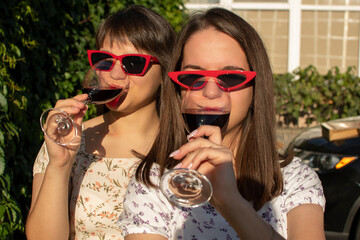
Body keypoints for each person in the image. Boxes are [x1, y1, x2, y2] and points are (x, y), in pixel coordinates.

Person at [117, 7, 326, 240]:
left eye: (230, 78)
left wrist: (229, 200)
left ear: (256, 90)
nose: (210, 91)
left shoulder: (294, 181)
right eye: (193, 77)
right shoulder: (155, 182)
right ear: (177, 89)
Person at [25, 5, 177, 240]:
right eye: (105, 60)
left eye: (133, 63)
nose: (114, 75)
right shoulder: (69, 140)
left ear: (165, 70)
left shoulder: (184, 148)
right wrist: (60, 165)